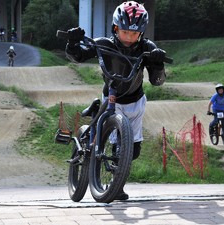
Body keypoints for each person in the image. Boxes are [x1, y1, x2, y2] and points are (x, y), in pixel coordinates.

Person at [65, 1, 167, 200]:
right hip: (111, 96)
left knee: (133, 151)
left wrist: (158, 63)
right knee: (115, 145)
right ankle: (113, 185)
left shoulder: (147, 48)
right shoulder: (104, 44)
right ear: (115, 28)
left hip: (136, 103)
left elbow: (157, 81)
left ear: (142, 33)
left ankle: (116, 182)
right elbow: (77, 57)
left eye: (134, 34)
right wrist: (73, 43)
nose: (129, 38)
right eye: (125, 32)